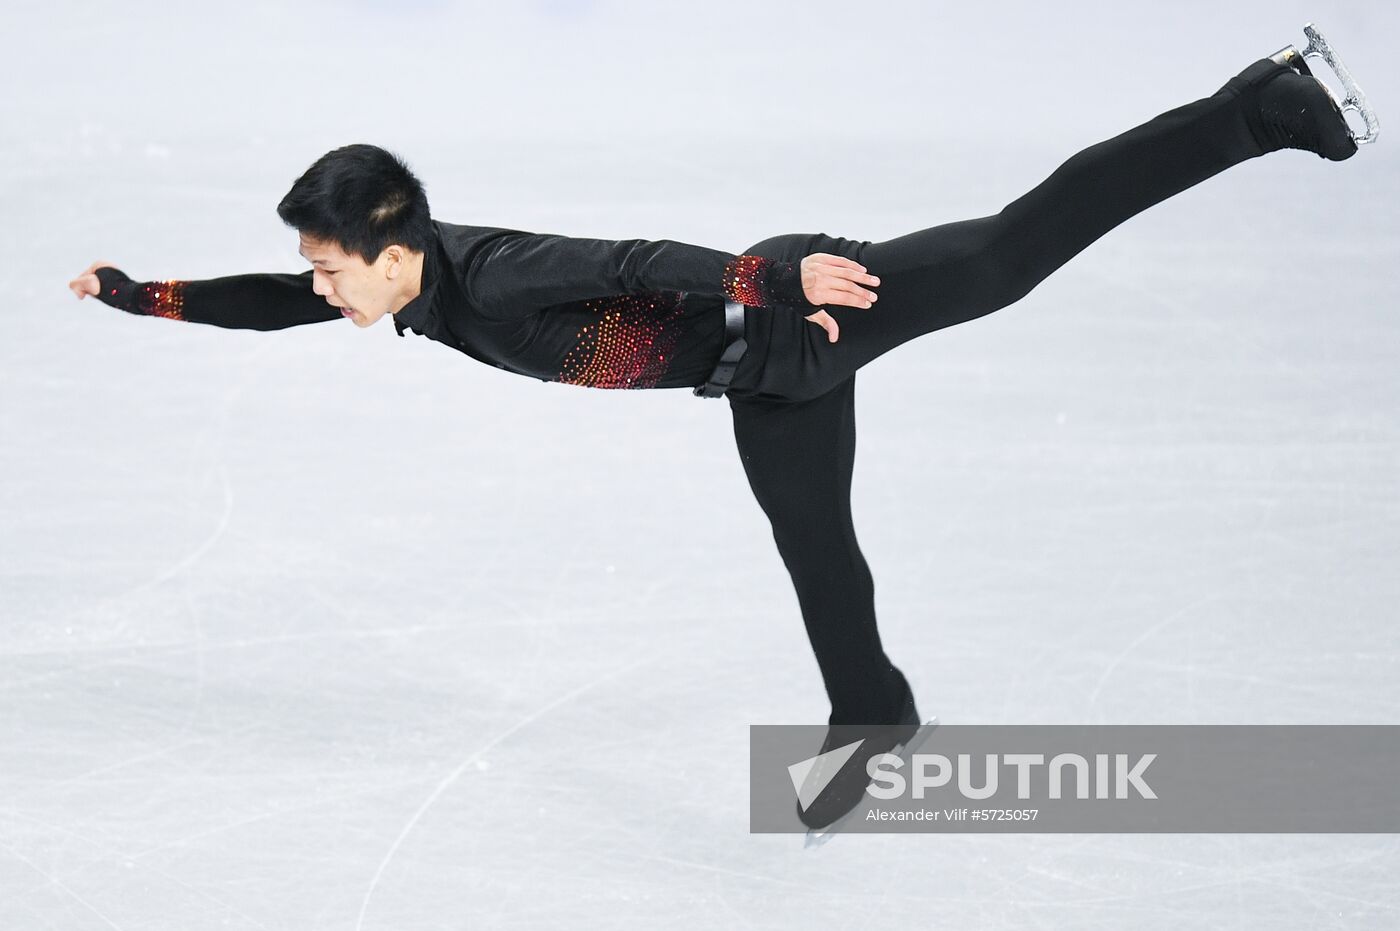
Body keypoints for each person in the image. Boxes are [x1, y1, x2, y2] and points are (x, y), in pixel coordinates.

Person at [68, 40, 1375, 834]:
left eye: (334, 266)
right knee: (815, 546)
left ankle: (1259, 108)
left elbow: (634, 259)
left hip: (802, 312)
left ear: (393, 250)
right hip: (765, 380)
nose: (324, 286)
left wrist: (779, 280)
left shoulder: (497, 274)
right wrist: (140, 296)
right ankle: (876, 715)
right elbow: (266, 301)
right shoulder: (405, 286)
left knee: (1008, 250)